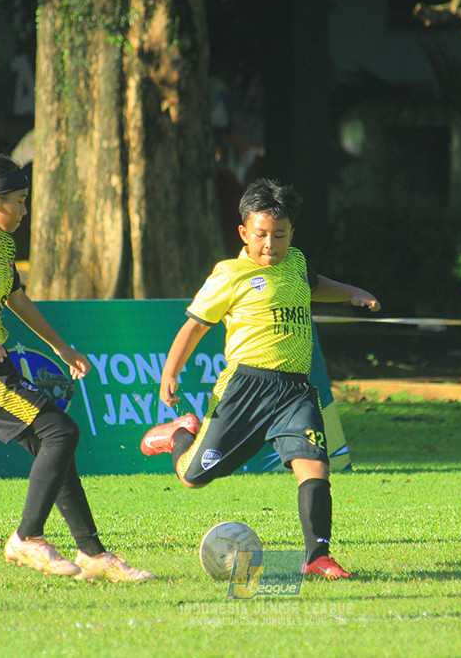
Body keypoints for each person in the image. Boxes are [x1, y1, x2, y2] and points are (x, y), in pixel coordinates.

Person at [140, 178, 380, 578]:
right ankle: (181, 432)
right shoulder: (230, 274)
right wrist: (170, 373)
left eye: (280, 235)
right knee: (192, 477)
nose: (271, 244)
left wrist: (353, 292)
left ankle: (317, 556)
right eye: (262, 235)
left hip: (294, 391)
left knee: (315, 467)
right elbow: (194, 328)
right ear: (243, 233)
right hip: (245, 388)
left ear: (291, 233)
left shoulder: (297, 263)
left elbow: (316, 286)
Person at [0, 154, 152, 583]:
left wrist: (62, 349)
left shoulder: (1, 242)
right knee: (61, 432)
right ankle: (27, 537)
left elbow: (17, 300)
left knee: (55, 447)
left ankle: (92, 554)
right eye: (19, 201)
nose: (25, 210)